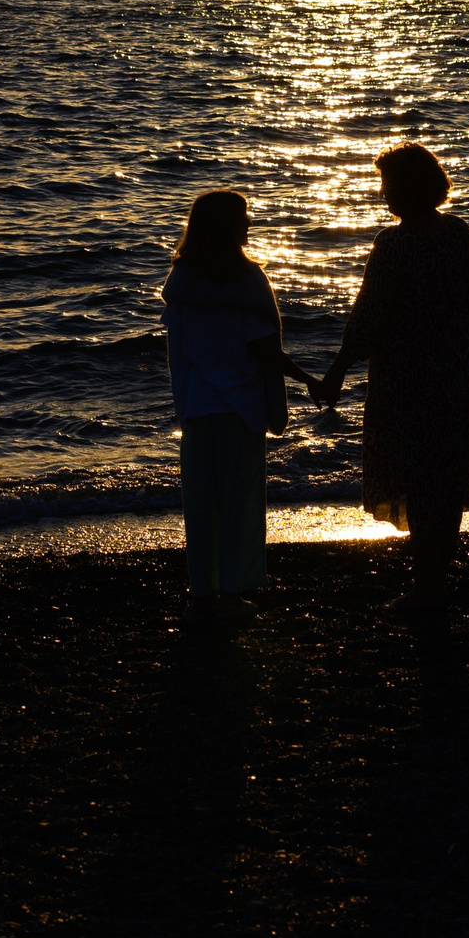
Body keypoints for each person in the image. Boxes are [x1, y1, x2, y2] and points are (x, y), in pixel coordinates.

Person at [319, 143, 469, 618]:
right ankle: (434, 583)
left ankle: (426, 588)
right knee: (444, 477)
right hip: (452, 375)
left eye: (388, 185)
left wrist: (336, 371)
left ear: (409, 188)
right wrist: (453, 344)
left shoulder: (393, 244)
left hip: (404, 379)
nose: (383, 194)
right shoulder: (460, 234)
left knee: (416, 476)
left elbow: (367, 316)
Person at [161, 190, 308, 618]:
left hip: (197, 405)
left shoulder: (183, 281)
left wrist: (183, 402)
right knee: (239, 502)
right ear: (226, 225)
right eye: (243, 217)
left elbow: (179, 351)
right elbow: (266, 352)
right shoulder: (246, 281)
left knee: (201, 503)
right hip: (239, 405)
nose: (250, 224)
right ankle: (231, 593)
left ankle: (201, 595)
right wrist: (311, 382)